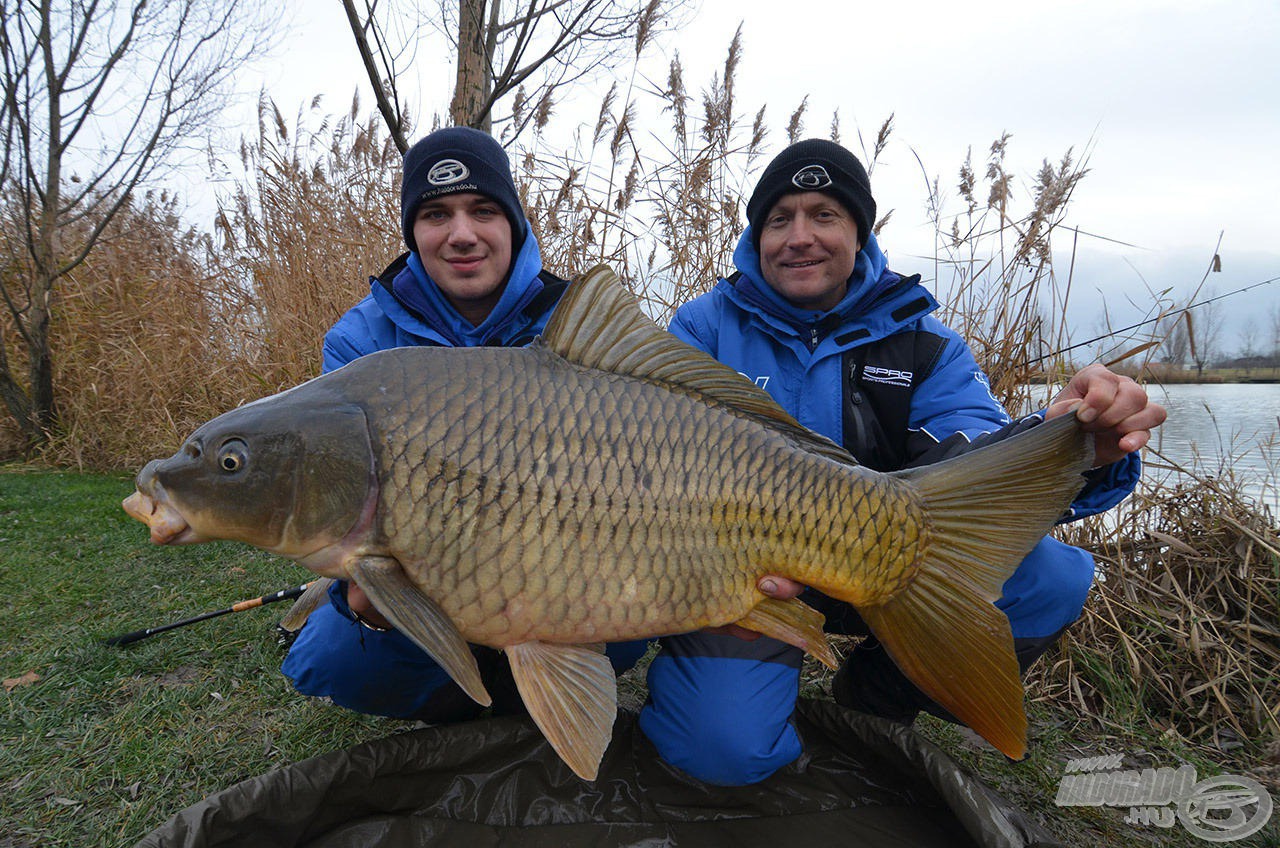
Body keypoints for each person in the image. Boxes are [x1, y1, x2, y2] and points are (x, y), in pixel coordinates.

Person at [638, 138, 1167, 785]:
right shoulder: (703, 330)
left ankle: (878, 697)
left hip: (880, 568)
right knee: (723, 753)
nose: (799, 236)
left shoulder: (920, 340)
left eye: (824, 215)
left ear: (860, 231)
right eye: (780, 219)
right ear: (756, 237)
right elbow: (653, 471)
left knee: (1048, 580)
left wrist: (1071, 444)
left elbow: (970, 452)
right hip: (746, 580)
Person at [281, 126, 648, 719]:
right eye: (435, 214)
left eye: (482, 210)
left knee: (624, 608)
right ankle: (456, 701)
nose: (461, 234)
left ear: (514, 224)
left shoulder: (574, 322)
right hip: (432, 560)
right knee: (334, 653)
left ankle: (534, 691)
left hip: (571, 546)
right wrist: (370, 589)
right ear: (412, 231)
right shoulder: (360, 343)